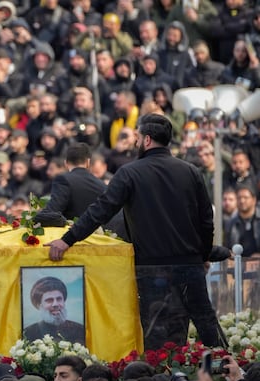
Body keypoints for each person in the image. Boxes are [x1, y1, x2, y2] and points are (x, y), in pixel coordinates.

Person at [45, 113, 224, 351]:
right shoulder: (191, 171)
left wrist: (67, 240)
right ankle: (230, 373)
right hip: (188, 264)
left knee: (157, 332)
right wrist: (202, 255)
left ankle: (164, 380)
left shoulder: (129, 173)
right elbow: (206, 220)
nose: (136, 143)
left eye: (138, 138)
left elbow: (100, 211)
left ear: (147, 140)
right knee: (205, 322)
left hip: (150, 269)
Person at [34, 143, 105, 226]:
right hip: (97, 237)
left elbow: (52, 212)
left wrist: (35, 217)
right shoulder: (102, 185)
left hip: (70, 236)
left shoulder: (63, 180)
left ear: (66, 163)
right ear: (88, 162)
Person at [23, 277, 85, 344]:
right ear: (39, 305)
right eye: (49, 300)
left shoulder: (79, 330)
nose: (55, 304)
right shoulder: (28, 333)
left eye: (59, 299)